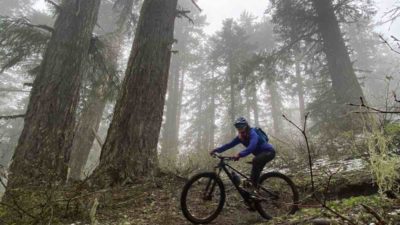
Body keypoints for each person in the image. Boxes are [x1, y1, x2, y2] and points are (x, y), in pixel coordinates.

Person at [210, 117, 275, 189]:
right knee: (254, 175)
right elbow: (229, 145)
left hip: (269, 152)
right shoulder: (241, 137)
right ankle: (255, 192)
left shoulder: (252, 133)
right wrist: (217, 150)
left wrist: (239, 154)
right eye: (237, 126)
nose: (239, 128)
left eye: (241, 126)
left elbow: (251, 147)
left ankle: (254, 190)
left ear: (246, 125)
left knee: (256, 161)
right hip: (261, 155)